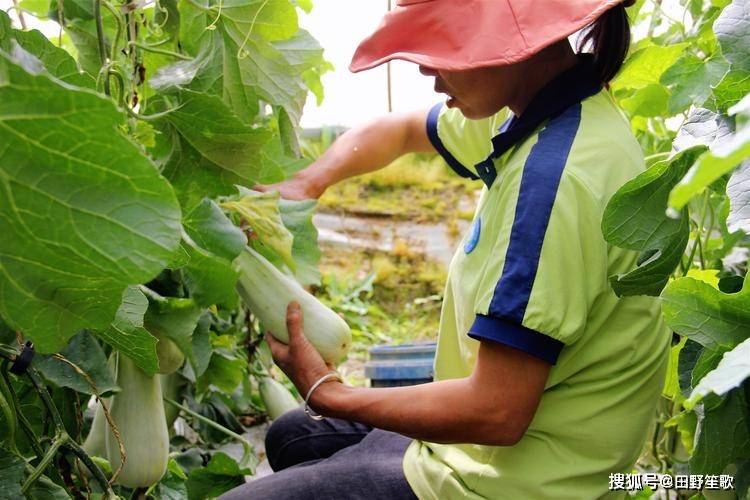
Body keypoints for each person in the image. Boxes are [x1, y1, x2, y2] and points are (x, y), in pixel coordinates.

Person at [221, 0, 670, 498]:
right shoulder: (540, 110)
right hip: (495, 451)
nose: (428, 72)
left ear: (513, 46)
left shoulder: (554, 180)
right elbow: (405, 130)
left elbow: (496, 412)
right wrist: (310, 180)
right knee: (292, 433)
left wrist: (331, 394)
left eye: (447, 49)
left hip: (516, 482)